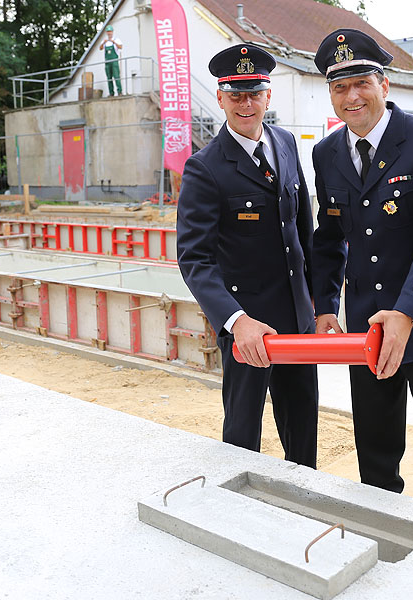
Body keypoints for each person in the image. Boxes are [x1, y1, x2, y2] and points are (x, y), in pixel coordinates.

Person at [311, 28, 413, 513]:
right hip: (368, 327)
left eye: (361, 82)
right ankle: (384, 542)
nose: (352, 96)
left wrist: (407, 312)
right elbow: (329, 235)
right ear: (331, 94)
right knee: (376, 454)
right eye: (339, 87)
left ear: (384, 85)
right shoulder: (326, 153)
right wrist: (325, 306)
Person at [177, 44, 318, 467]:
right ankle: (239, 509)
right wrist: (237, 322)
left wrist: (318, 300)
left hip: (296, 320)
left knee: (303, 426)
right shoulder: (205, 168)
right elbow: (194, 259)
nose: (246, 104)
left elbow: (302, 227)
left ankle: (304, 499)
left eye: (254, 93)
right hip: (248, 327)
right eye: (235, 95)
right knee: (242, 433)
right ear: (220, 97)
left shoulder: (286, 143)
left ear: (268, 95)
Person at [99, 25, 123, 97]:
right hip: (107, 62)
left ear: (112, 32)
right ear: (106, 32)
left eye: (110, 31)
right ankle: (111, 93)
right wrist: (103, 43)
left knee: (116, 76)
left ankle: (119, 92)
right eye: (108, 32)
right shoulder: (105, 41)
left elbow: (121, 47)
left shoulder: (116, 39)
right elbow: (100, 48)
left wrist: (114, 42)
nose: (109, 33)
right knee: (109, 78)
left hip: (114, 61)